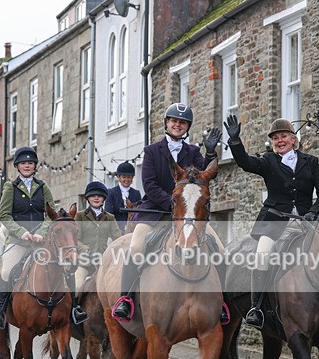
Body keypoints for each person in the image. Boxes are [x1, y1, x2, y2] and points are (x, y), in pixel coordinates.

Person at [111, 102, 229, 324]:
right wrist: (173, 204)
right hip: (156, 211)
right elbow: (149, 184)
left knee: (220, 250)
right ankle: (125, 299)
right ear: (167, 123)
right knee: (136, 247)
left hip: (188, 214)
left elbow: (205, 175)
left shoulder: (192, 151)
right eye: (174, 121)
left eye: (182, 122)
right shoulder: (151, 151)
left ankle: (222, 302)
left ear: (187, 127)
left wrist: (211, 152)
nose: (177, 125)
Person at [224, 114, 319, 329]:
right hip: (274, 222)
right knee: (263, 254)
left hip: (305, 222)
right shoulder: (268, 161)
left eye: (283, 136)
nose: (279, 140)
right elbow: (245, 163)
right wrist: (235, 141)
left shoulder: (310, 162)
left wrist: (313, 213)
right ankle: (256, 307)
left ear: (293, 139)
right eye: (275, 138)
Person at [0, 146, 87, 329]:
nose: (27, 166)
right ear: (17, 166)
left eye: (30, 163)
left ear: (35, 166)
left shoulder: (43, 187)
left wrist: (40, 233)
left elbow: (51, 215)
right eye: (23, 163)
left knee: (65, 267)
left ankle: (75, 308)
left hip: (41, 240)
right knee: (7, 270)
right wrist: (22, 232)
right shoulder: (10, 188)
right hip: (18, 241)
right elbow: (4, 215)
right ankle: (1, 312)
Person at [74, 180, 122, 295]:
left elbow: (118, 238)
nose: (96, 198)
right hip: (84, 262)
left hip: (103, 263)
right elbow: (75, 239)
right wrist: (86, 249)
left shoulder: (110, 217)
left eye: (99, 196)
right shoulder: (80, 216)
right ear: (88, 198)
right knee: (78, 286)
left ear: (103, 198)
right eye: (93, 196)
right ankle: (75, 305)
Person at [104, 161, 142, 232]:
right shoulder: (111, 193)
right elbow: (108, 213)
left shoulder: (136, 193)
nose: (126, 180)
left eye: (129, 177)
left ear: (132, 178)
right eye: (124, 177)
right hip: (114, 230)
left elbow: (139, 214)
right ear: (119, 177)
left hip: (132, 229)